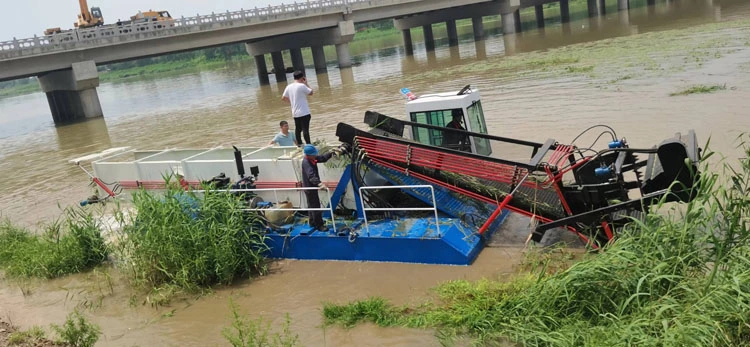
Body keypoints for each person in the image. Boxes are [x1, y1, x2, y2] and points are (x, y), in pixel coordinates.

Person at [301, 144, 340, 231]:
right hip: (310, 188)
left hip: (310, 187)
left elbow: (322, 158)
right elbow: (311, 176)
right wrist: (319, 184)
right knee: (315, 206)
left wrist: (331, 153)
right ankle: (319, 225)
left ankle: (312, 222)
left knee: (311, 206)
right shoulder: (306, 163)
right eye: (314, 154)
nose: (316, 155)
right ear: (309, 155)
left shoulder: (311, 158)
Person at [282, 71, 314, 146]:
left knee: (298, 129)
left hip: (295, 113)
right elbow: (311, 93)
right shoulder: (301, 86)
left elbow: (283, 98)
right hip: (304, 112)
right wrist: (306, 83)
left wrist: (292, 103)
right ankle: (309, 145)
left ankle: (299, 144)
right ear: (302, 77)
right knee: (305, 130)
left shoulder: (289, 86)